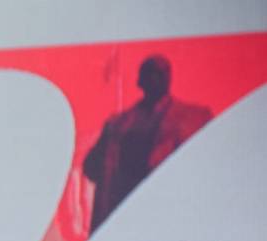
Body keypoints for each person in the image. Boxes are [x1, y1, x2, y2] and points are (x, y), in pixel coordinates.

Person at [82, 54, 211, 232]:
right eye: (150, 73)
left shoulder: (193, 119)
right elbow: (91, 168)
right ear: (140, 81)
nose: (155, 78)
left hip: (168, 215)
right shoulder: (117, 125)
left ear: (169, 78)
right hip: (125, 215)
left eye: (161, 73)